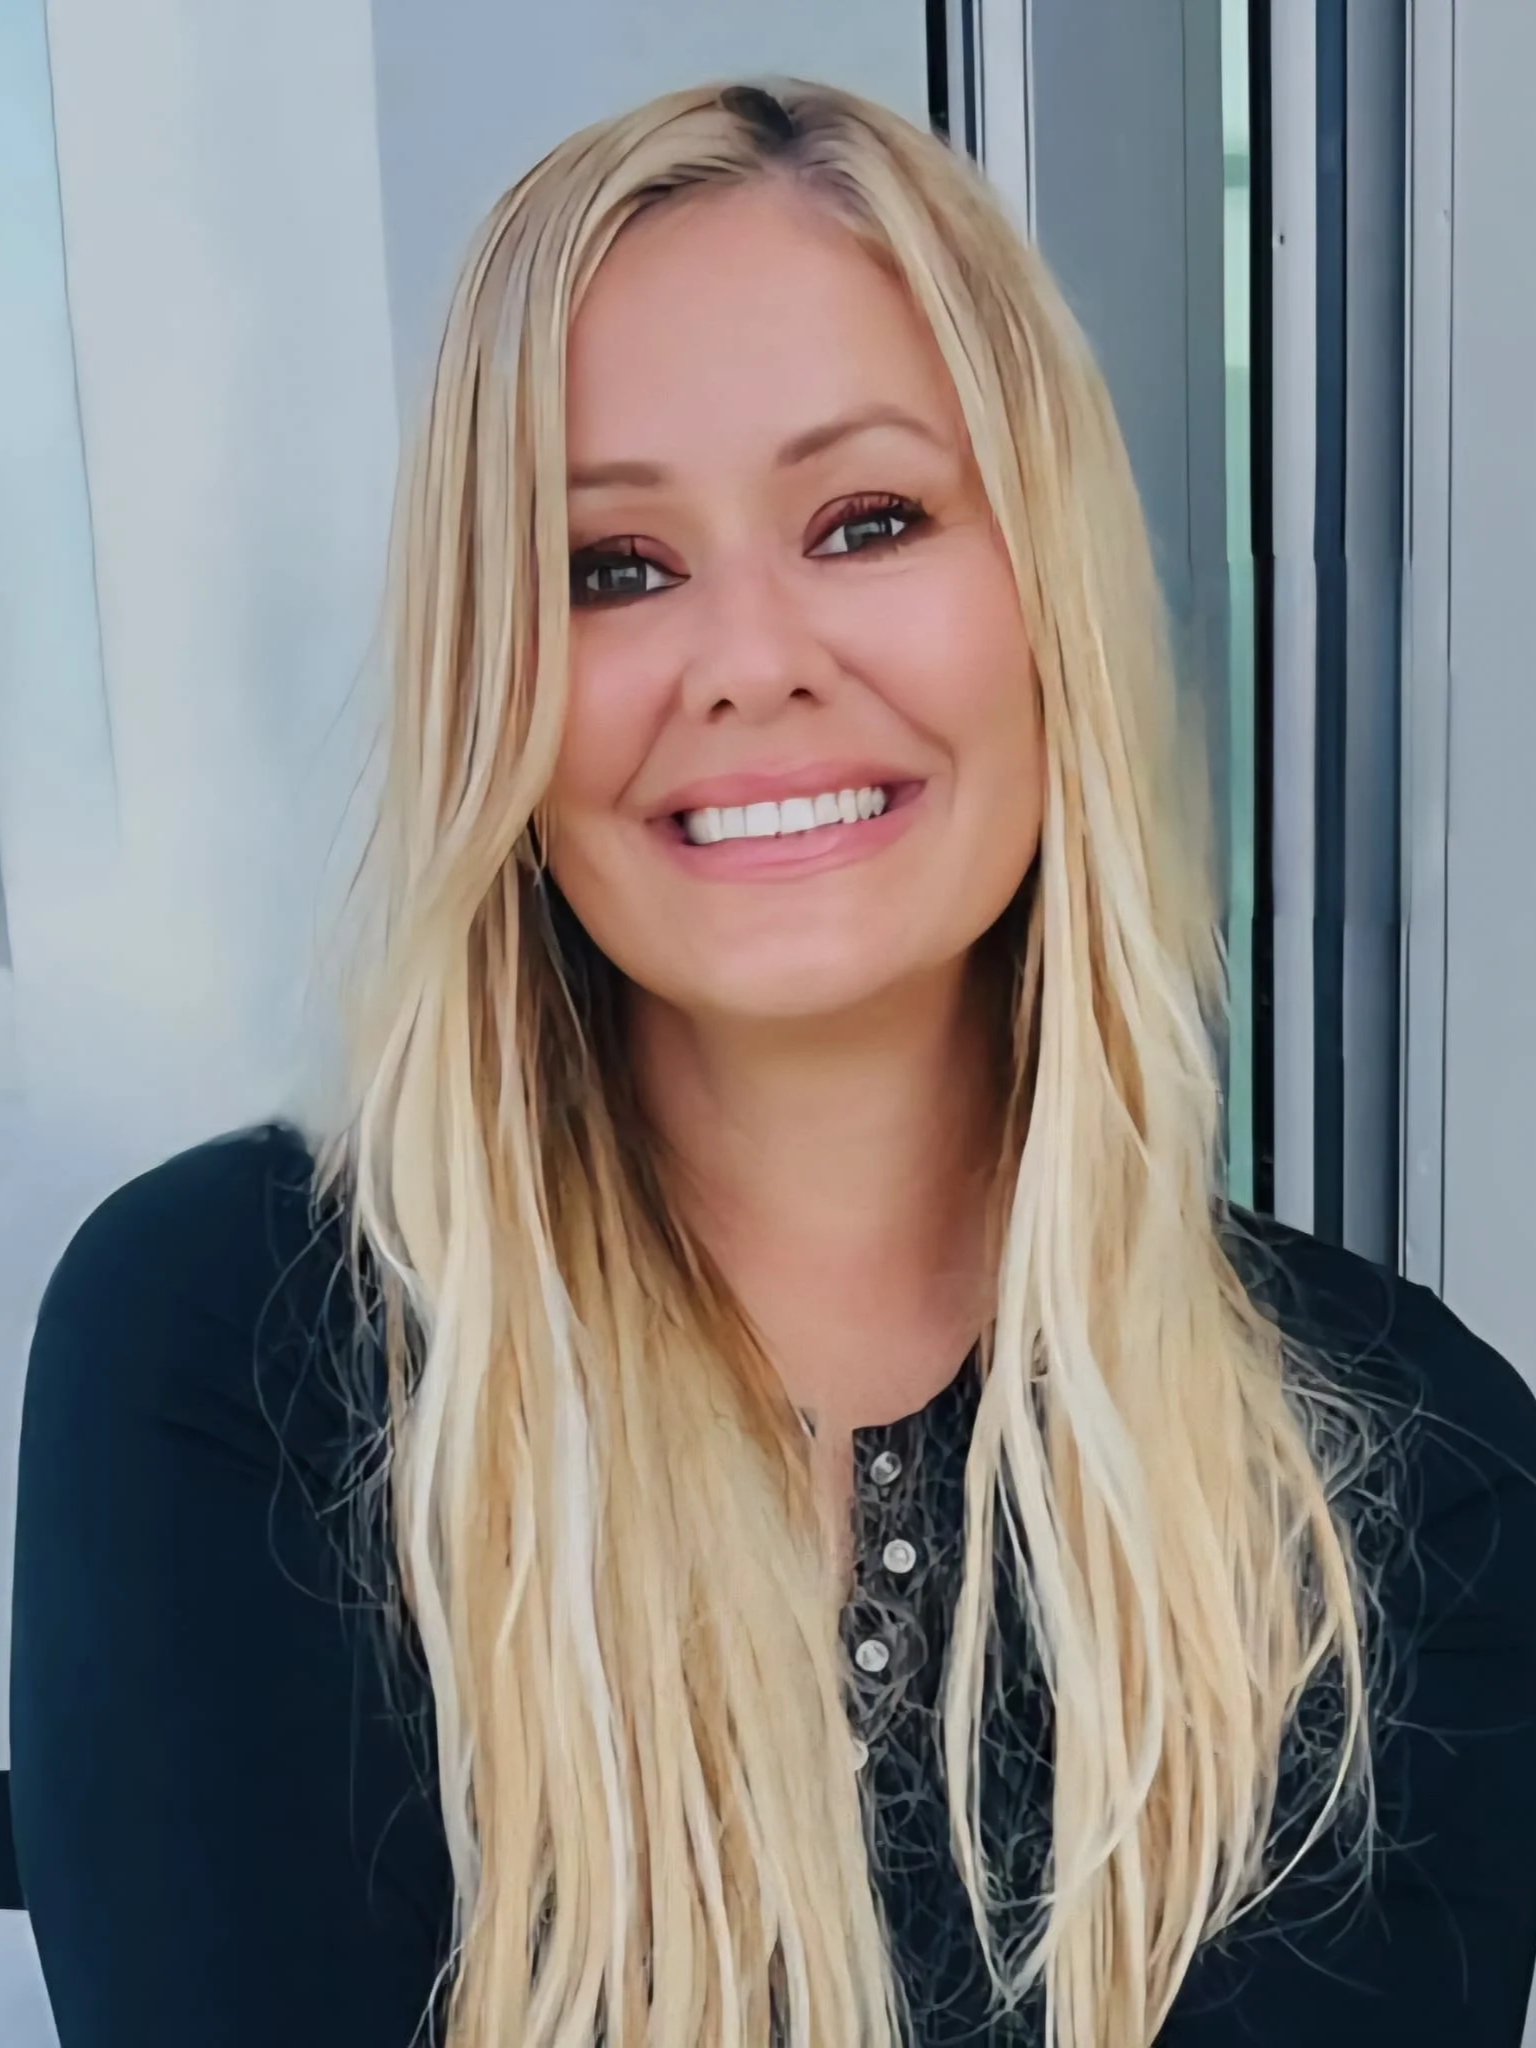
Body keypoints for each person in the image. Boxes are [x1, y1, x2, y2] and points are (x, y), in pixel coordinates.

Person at [10, 75, 1536, 2048]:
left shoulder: (1416, 1483)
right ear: (505, 685)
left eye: (867, 519)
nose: (747, 655)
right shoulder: (236, 1349)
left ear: (1048, 604)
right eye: (612, 566)